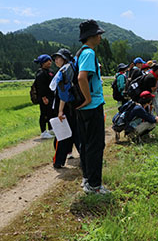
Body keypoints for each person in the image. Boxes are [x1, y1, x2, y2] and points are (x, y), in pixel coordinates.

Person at [75, 19, 109, 195]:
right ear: (92, 36)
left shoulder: (80, 53)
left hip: (81, 108)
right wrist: (88, 99)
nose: (100, 38)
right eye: (99, 35)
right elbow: (82, 77)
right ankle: (95, 186)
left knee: (86, 144)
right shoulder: (89, 53)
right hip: (92, 106)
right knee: (96, 146)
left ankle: (87, 179)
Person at [49, 48, 80, 168]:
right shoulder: (73, 68)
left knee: (62, 135)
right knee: (76, 134)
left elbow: (64, 93)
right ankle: (85, 159)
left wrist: (60, 110)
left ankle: (58, 161)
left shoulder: (65, 70)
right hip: (74, 107)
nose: (56, 60)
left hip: (66, 108)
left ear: (65, 58)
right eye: (55, 58)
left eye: (58, 57)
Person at [33, 54, 56, 139]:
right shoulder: (41, 73)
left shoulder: (50, 71)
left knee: (51, 113)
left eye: (50, 60)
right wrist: (43, 97)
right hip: (44, 97)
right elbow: (40, 86)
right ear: (42, 63)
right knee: (44, 114)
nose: (49, 62)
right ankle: (43, 132)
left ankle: (50, 129)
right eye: (47, 61)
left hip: (51, 96)